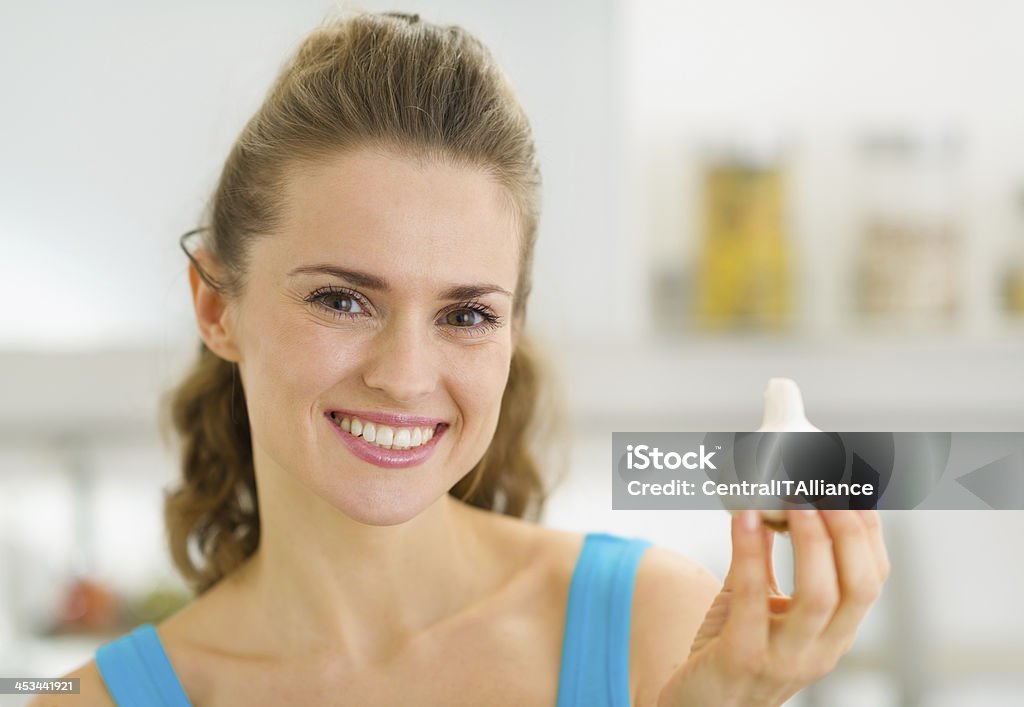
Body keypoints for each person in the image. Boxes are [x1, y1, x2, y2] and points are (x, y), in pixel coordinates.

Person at [38, 10, 889, 706]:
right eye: (342, 299)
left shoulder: (658, 629)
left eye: (466, 313)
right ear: (217, 306)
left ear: (512, 332)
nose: (406, 374)